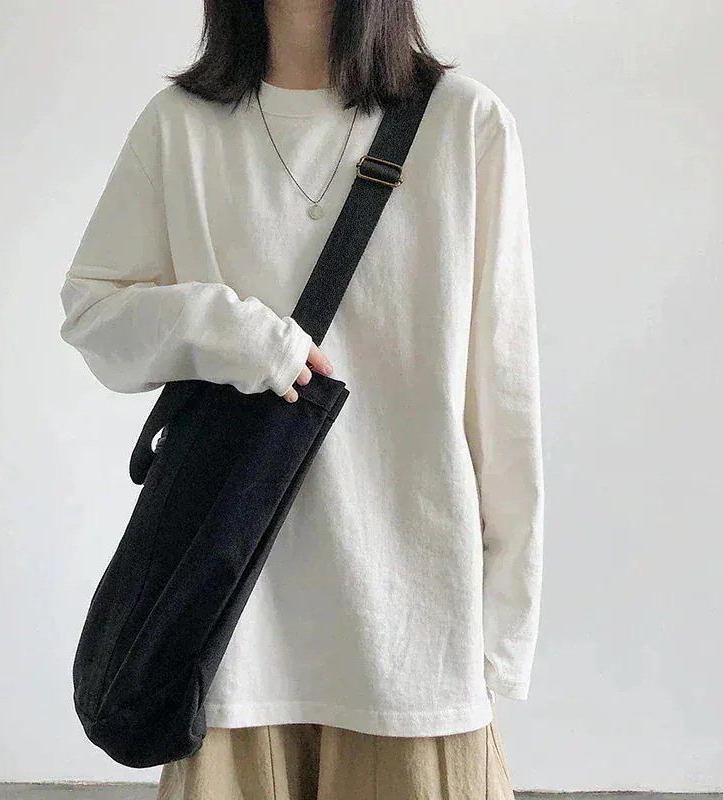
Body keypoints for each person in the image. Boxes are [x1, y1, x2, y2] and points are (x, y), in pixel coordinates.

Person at [58, 0, 544, 797]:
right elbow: (93, 313)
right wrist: (234, 332)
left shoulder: (464, 123)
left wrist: (504, 622)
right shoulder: (181, 125)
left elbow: (504, 390)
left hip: (411, 623)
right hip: (231, 635)